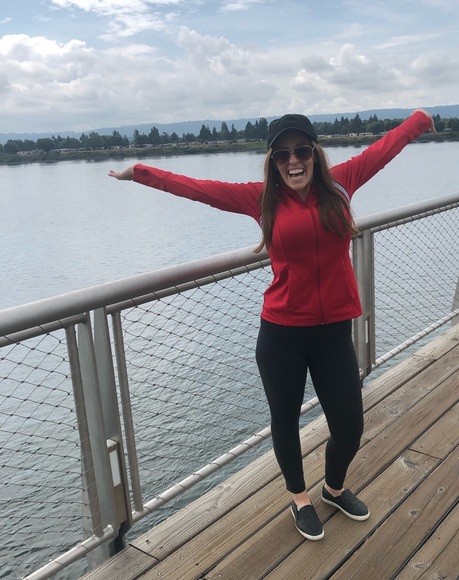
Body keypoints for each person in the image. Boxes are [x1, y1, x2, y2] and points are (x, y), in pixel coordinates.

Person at [109, 109, 435, 541]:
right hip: (282, 333)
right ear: (273, 161)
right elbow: (198, 189)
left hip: (334, 331)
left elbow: (384, 149)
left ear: (315, 153)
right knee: (285, 420)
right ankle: (299, 498)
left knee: (350, 426)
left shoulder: (341, 183)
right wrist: (140, 173)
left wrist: (420, 120)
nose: (293, 161)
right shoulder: (260, 199)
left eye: (301, 151)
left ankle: (334, 488)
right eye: (282, 154)